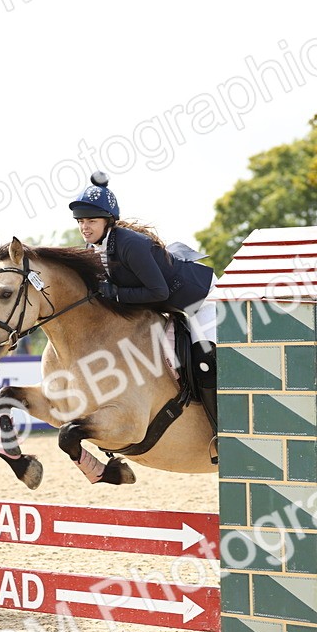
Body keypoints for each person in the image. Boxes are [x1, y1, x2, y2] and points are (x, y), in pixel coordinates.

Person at [69, 172, 219, 436]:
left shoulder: (131, 244)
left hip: (199, 298)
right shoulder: (93, 248)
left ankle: (223, 434)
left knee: (205, 362)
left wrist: (116, 294)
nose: (85, 227)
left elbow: (158, 291)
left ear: (109, 221)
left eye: (91, 220)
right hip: (170, 306)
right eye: (81, 221)